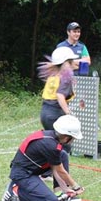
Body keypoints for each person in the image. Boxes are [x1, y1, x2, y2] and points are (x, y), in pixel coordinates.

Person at [1, 115, 85, 201]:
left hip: (33, 169)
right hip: (23, 174)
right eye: (73, 138)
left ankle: (59, 192)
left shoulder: (52, 139)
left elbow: (55, 169)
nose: (73, 140)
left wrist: (65, 189)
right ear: (66, 137)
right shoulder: (50, 145)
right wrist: (76, 187)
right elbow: (61, 171)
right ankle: (16, 190)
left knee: (63, 155)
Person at [37, 47, 78, 179]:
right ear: (66, 62)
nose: (75, 62)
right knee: (64, 145)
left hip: (45, 112)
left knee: (51, 142)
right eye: (72, 60)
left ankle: (45, 171)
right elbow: (60, 95)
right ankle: (57, 174)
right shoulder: (66, 77)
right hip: (55, 113)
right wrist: (68, 113)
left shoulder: (54, 76)